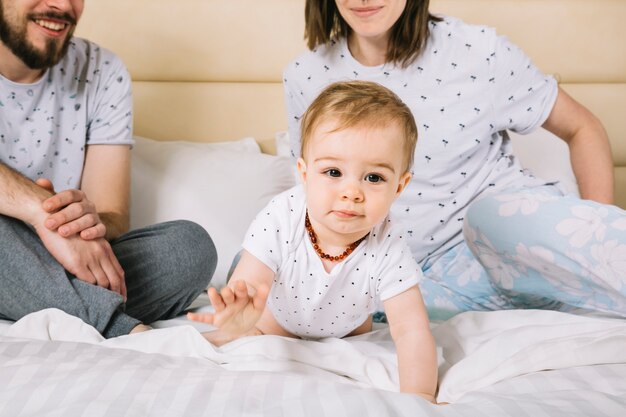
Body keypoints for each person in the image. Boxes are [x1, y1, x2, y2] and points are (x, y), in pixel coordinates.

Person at [283, 0, 626, 320]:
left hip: (507, 243)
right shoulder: (305, 76)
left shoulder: (480, 52)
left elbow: (583, 127)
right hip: (434, 282)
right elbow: (318, 191)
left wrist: (593, 239)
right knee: (293, 275)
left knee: (490, 218)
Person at [189, 80, 438, 402]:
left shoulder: (389, 244)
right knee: (234, 323)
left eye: (374, 177)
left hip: (348, 333)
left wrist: (419, 397)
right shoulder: (282, 216)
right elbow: (251, 282)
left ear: (399, 186)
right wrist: (240, 309)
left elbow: (411, 330)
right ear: (304, 174)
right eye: (333, 172)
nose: (351, 192)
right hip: (273, 324)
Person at [0, 0, 217, 338]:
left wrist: (79, 224)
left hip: (63, 262)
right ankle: (120, 328)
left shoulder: (102, 70)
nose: (61, 4)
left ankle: (33, 298)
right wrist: (43, 215)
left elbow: (112, 215)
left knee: (190, 248)